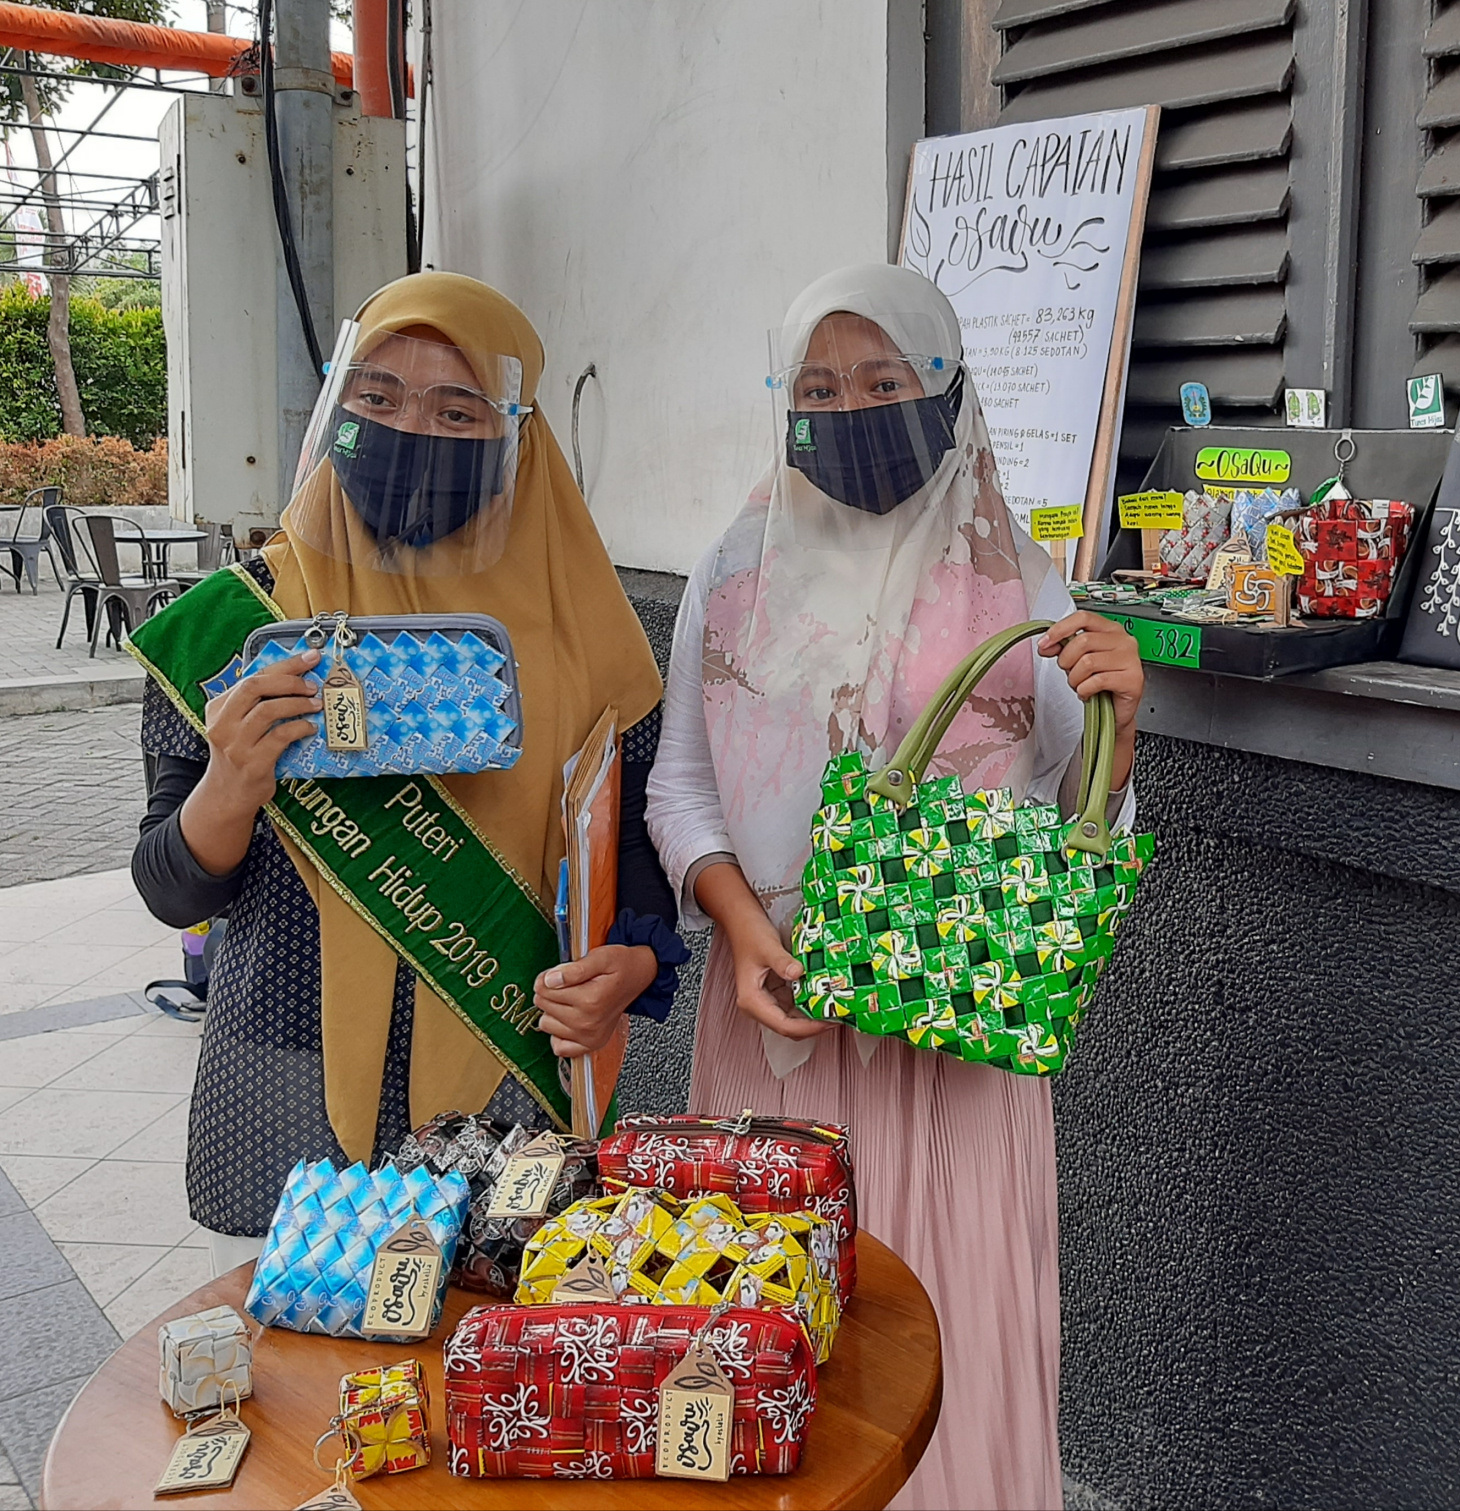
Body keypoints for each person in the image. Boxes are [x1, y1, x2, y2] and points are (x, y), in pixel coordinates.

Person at [646, 263, 1145, 1511]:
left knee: (951, 1350)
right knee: (768, 1345)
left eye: (885, 381)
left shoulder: (1015, 584)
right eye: (817, 386)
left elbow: (1080, 817)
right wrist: (739, 920)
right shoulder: (733, 572)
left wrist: (1118, 730)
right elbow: (680, 789)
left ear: (949, 393)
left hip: (950, 1045)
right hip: (775, 1030)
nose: (851, 409)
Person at [128, 273, 685, 1274]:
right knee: (313, 1374)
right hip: (291, 1060)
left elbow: (635, 869)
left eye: (457, 407)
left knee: (487, 1368)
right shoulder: (240, 625)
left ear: (519, 436)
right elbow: (173, 886)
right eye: (374, 399)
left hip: (505, 1070)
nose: (407, 429)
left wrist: (632, 968)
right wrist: (230, 784)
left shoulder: (598, 643)